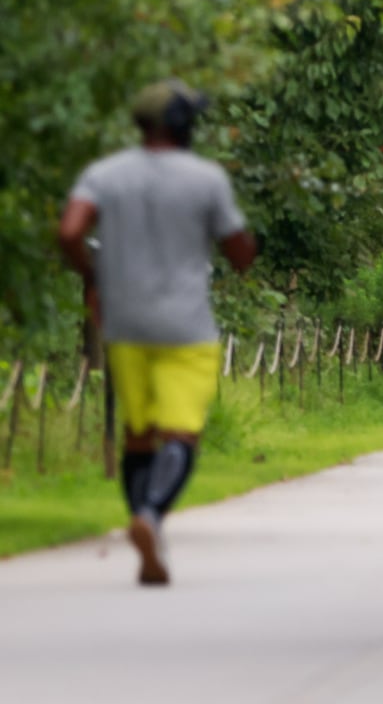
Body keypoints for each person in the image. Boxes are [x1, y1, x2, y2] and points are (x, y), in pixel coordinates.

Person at [57, 80, 257, 586]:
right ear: (183, 125)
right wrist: (243, 247)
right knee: (181, 433)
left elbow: (70, 231)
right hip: (186, 327)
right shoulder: (206, 179)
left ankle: (148, 533)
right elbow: (239, 252)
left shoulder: (105, 174)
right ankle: (149, 516)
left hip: (124, 323)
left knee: (139, 434)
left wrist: (94, 279)